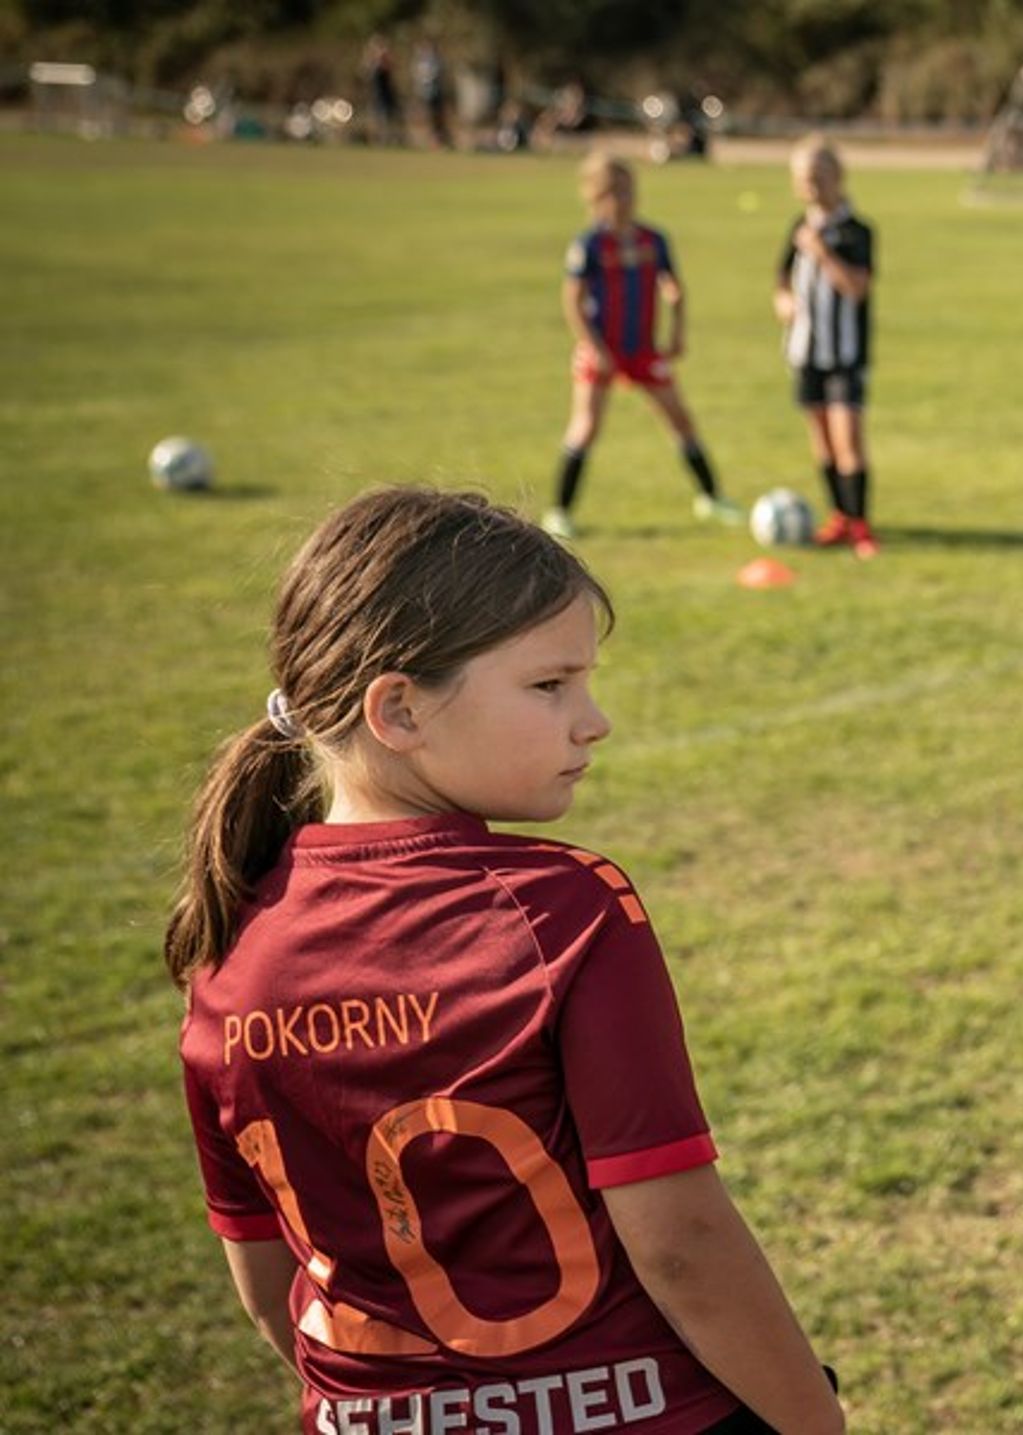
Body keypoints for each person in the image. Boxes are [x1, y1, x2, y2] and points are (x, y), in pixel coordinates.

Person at [169, 488, 842, 1434]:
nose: (592, 719)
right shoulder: (560, 910)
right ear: (398, 709)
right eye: (550, 685)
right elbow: (682, 1243)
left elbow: (266, 1278)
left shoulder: (227, 949)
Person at [549, 154, 742, 540]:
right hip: (602, 350)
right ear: (596, 196)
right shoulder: (589, 244)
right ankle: (559, 512)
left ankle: (711, 498)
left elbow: (673, 285)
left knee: (681, 420)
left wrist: (677, 328)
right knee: (586, 427)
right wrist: (594, 346)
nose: (623, 199)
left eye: (628, 189)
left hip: (643, 351)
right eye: (614, 191)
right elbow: (572, 300)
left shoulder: (654, 240)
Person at [773, 135, 879, 556]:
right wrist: (782, 301)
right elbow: (780, 279)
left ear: (838, 177)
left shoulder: (857, 232)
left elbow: (857, 287)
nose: (811, 186)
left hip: (844, 356)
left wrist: (821, 253)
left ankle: (861, 525)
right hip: (805, 353)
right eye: (803, 178)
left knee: (848, 441)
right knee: (822, 443)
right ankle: (838, 516)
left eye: (818, 177)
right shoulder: (799, 226)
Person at [360, 35, 400, 147]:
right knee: (377, 117)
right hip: (376, 95)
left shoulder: (385, 62)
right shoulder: (372, 64)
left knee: (389, 117)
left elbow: (391, 67)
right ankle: (379, 140)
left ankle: (390, 139)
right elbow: (365, 72)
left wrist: (384, 57)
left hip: (387, 94)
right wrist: (370, 57)